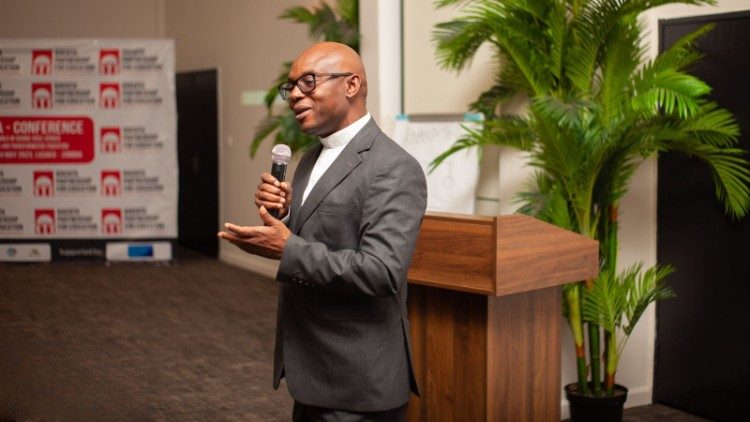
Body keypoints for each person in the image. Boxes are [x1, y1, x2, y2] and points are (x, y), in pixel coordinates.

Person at [218, 42, 427, 421]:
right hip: (313, 368)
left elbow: (381, 271)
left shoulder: (394, 167)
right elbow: (320, 236)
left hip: (357, 381)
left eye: (309, 82)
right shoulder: (311, 157)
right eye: (292, 85)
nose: (295, 94)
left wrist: (287, 249)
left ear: (351, 85)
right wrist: (282, 216)